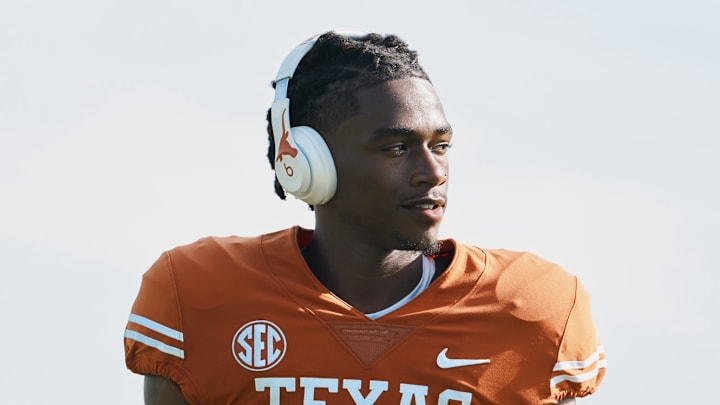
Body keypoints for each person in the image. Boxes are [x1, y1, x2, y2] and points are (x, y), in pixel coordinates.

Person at [124, 30, 606, 405]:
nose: (432, 172)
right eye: (396, 148)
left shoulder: (533, 308)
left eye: (440, 146)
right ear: (307, 161)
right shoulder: (198, 291)